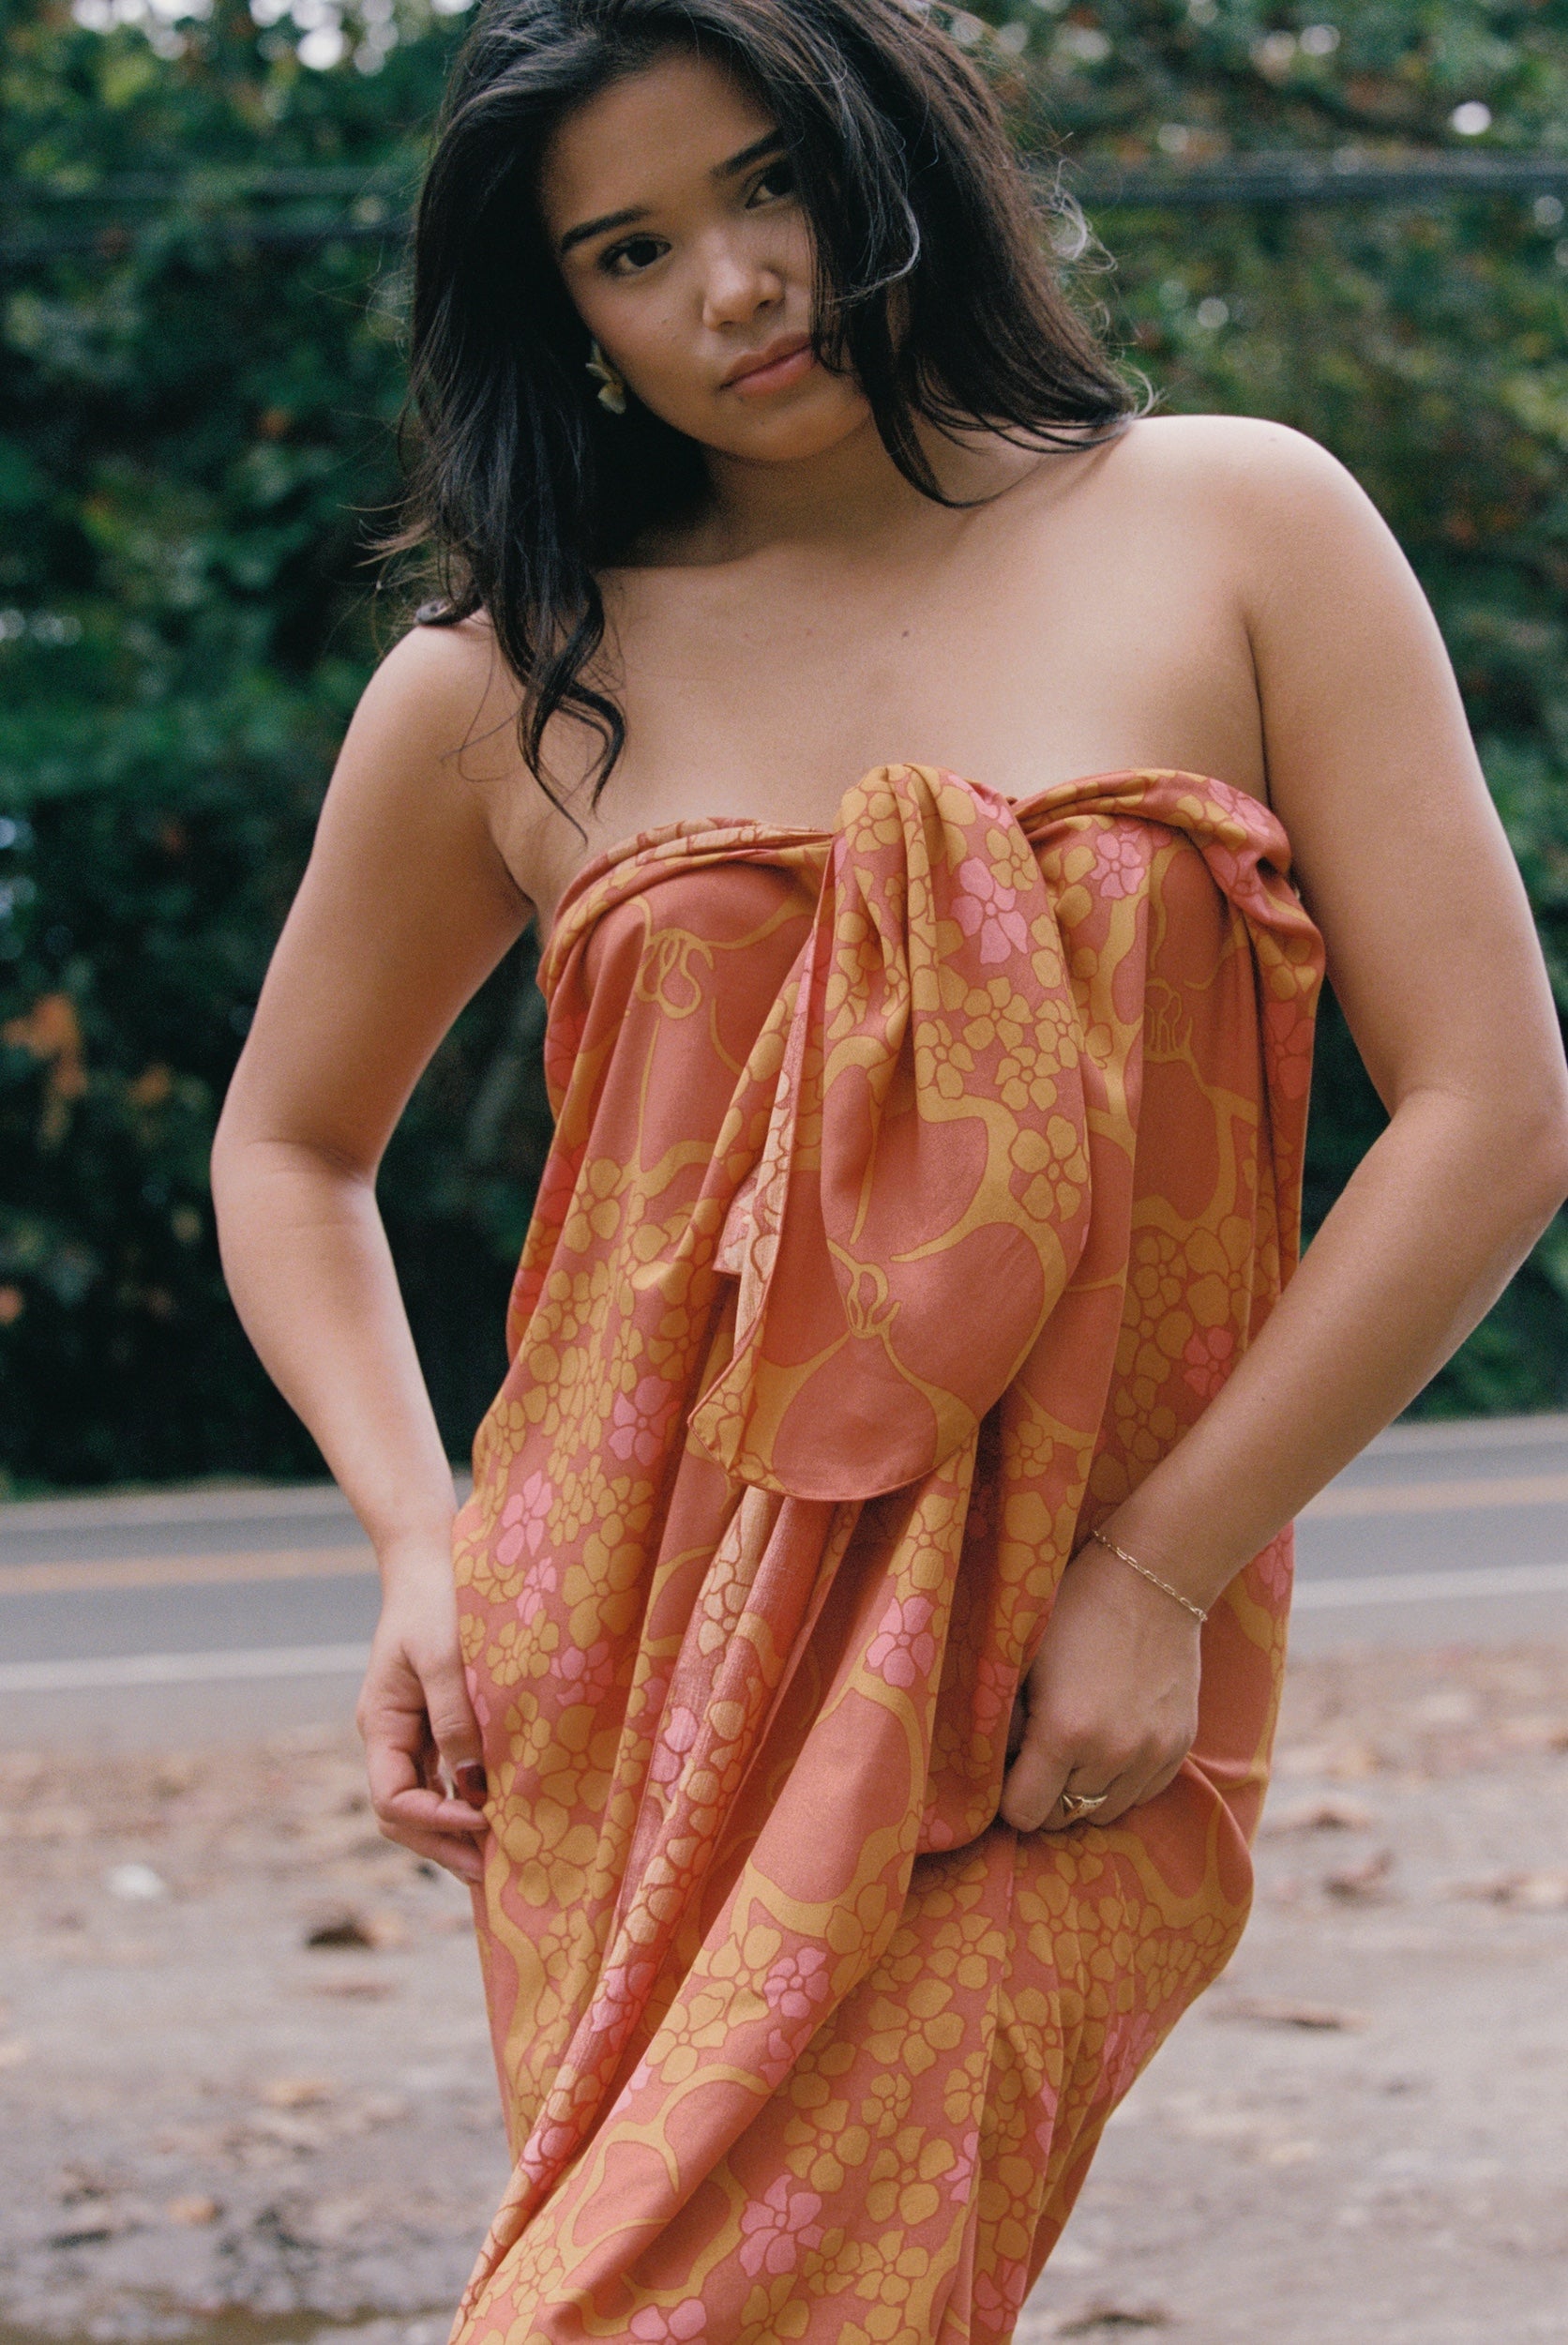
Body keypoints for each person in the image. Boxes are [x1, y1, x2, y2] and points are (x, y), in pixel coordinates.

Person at [210, 1, 1568, 2337]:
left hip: (1071, 1644)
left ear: (891, 147)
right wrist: (418, 1538)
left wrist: (1160, 1568)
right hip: (616, 1667)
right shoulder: (506, 676)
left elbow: (1486, 1111)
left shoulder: (1232, 521)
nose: (733, 284)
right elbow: (287, 1145)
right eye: (629, 251)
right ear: (572, 324)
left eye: (768, 183)